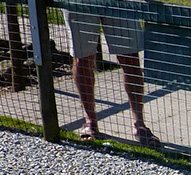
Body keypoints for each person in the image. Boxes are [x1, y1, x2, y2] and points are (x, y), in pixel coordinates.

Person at [64, 9, 160, 147]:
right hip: (80, 4)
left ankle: (139, 124)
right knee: (83, 58)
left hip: (120, 3)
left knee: (130, 57)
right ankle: (90, 120)